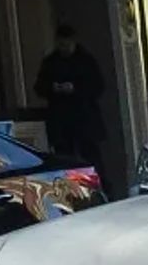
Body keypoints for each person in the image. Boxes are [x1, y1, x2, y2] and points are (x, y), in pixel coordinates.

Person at [35, 22, 107, 164]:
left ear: (73, 42)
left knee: (90, 157)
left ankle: (98, 184)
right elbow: (39, 87)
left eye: (67, 45)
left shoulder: (86, 61)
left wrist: (75, 88)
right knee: (64, 158)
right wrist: (53, 88)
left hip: (84, 117)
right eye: (61, 45)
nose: (64, 49)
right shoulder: (50, 62)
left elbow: (98, 86)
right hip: (60, 120)